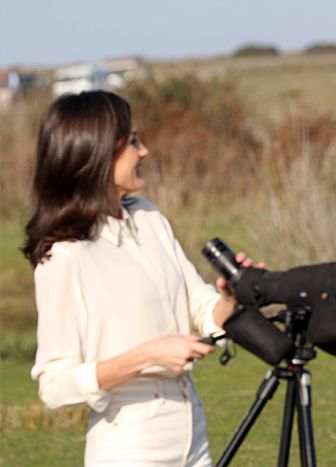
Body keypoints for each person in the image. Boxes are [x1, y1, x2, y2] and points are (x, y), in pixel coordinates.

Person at [23, 90, 260, 466]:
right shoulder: (64, 256)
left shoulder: (150, 219)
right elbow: (54, 384)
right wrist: (147, 355)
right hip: (129, 446)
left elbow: (200, 306)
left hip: (193, 435)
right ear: (97, 153)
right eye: (132, 142)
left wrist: (233, 296)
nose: (144, 151)